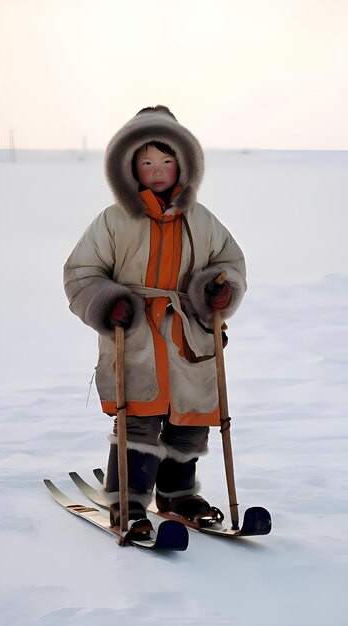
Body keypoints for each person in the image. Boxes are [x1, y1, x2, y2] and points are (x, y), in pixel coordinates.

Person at [63, 105, 247, 526]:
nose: (158, 170)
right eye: (147, 162)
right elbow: (81, 272)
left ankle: (178, 495)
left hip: (189, 336)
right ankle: (127, 500)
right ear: (130, 168)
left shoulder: (201, 220)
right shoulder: (113, 221)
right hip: (135, 333)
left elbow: (229, 262)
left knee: (191, 419)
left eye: (166, 161)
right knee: (139, 416)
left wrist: (217, 289)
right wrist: (108, 302)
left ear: (184, 164)